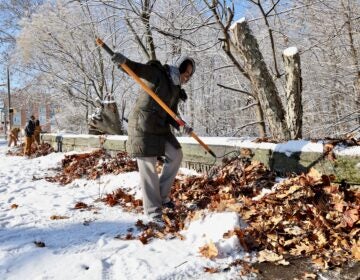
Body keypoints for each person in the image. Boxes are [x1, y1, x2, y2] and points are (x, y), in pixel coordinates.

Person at [111, 52, 195, 223]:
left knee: (176, 154)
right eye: (185, 73)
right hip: (143, 126)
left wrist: (181, 124)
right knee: (148, 167)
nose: (186, 77)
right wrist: (123, 62)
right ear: (177, 68)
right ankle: (153, 212)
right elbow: (137, 69)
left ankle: (162, 197)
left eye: (189, 75)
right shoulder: (159, 74)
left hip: (160, 128)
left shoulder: (176, 88)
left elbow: (171, 113)